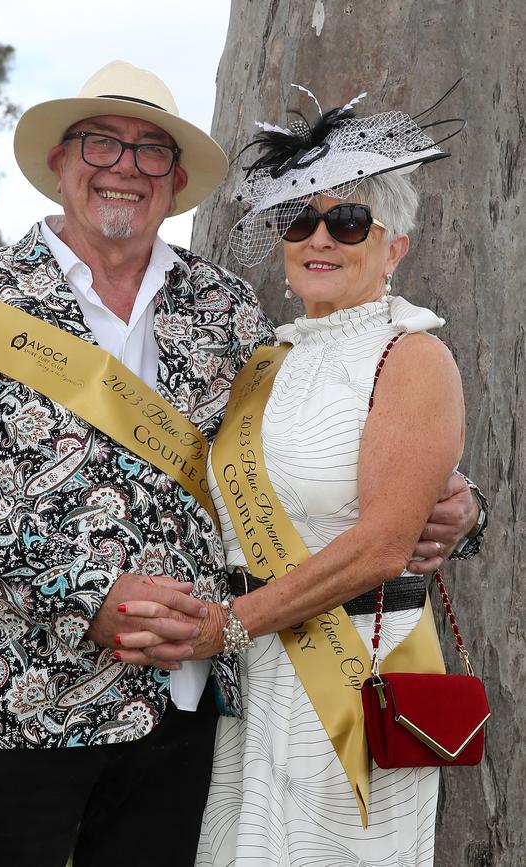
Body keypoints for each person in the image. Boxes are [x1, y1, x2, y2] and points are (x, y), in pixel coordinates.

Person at [0, 63, 482, 867]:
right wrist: (86, 594)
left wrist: (459, 507)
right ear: (61, 162)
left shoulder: (227, 308)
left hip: (194, 707)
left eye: (152, 152)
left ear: (174, 182)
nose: (126, 166)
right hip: (21, 700)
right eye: (103, 142)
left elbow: (317, 461)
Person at [116, 87, 483, 866]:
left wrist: (233, 622)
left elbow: (386, 542)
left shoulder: (413, 356)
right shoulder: (262, 362)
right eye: (299, 218)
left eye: (348, 220)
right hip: (252, 679)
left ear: (395, 245)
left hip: (353, 671)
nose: (321, 237)